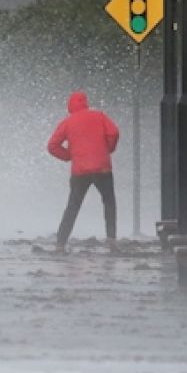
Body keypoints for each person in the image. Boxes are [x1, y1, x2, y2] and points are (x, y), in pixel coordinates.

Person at [47, 91, 120, 253]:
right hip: (102, 167)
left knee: (73, 206)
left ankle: (60, 243)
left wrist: (68, 156)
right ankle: (111, 240)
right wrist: (108, 149)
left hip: (80, 170)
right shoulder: (99, 116)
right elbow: (114, 132)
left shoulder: (67, 122)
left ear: (70, 105)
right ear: (86, 102)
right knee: (109, 202)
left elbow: (52, 146)